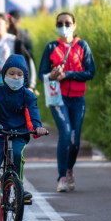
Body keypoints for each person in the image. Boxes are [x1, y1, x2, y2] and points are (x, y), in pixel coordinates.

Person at [0, 54, 47, 213]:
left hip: (20, 133)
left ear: (25, 77)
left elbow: (33, 114)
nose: (15, 77)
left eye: (19, 74)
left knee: (17, 156)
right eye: (11, 73)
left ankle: (19, 187)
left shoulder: (28, 96)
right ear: (4, 75)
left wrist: (37, 127)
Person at [38, 11, 95, 192]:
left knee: (75, 140)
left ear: (74, 25)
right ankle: (62, 177)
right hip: (58, 98)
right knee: (65, 133)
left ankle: (69, 169)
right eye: (60, 23)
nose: (64, 26)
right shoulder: (51, 47)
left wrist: (68, 75)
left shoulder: (82, 46)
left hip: (78, 99)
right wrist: (52, 75)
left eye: (67, 23)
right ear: (56, 26)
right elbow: (41, 74)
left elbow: (90, 72)